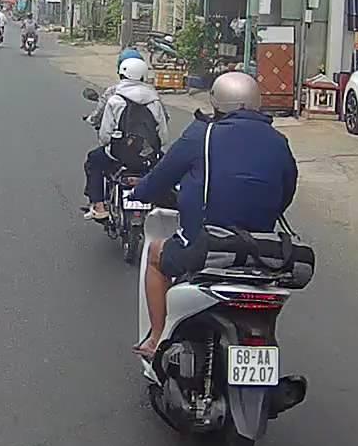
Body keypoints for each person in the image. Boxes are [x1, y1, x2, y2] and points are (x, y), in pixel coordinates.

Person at [128, 72, 298, 359]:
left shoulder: (201, 134)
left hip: (210, 247)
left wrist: (139, 192)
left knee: (156, 255)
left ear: (216, 102)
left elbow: (159, 179)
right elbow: (286, 193)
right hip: (262, 252)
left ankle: (156, 338)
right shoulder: (278, 141)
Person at [83, 57, 170, 220]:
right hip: (147, 156)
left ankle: (99, 206)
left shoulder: (115, 99)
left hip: (118, 154)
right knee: (168, 169)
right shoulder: (155, 101)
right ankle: (165, 206)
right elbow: (163, 137)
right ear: (144, 76)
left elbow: (105, 136)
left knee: (93, 160)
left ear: (121, 75)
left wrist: (110, 145)